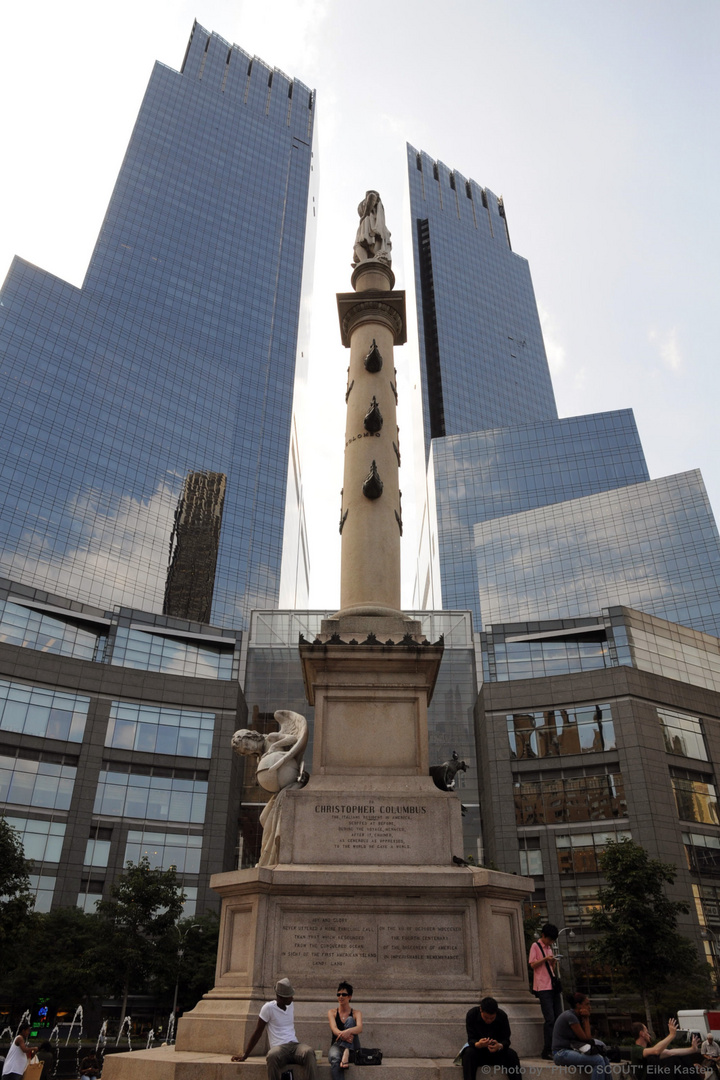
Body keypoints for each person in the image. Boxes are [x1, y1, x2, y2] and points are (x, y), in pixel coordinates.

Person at [231, 977, 318, 1080]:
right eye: (289, 996)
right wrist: (245, 1055)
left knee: (309, 1052)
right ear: (280, 997)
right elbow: (258, 1032)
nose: (292, 998)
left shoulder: (290, 1005)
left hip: (295, 1045)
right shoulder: (268, 1008)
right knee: (271, 1056)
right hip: (279, 1048)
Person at [552, 993, 610, 1080]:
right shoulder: (571, 1016)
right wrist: (586, 1018)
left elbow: (588, 1039)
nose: (589, 1007)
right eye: (587, 1004)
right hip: (561, 1053)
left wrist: (585, 1018)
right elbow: (585, 1039)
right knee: (598, 1060)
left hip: (572, 1050)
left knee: (605, 1058)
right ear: (578, 1005)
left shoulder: (578, 1016)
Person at [461, 996, 521, 1080]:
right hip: (479, 1052)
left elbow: (506, 1040)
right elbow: (471, 1039)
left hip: (497, 1052)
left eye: (492, 1018)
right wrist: (479, 1044)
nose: (489, 1020)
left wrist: (499, 1046)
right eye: (486, 1017)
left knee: (512, 1055)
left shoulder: (502, 1016)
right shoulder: (472, 1014)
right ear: (481, 1009)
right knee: (468, 1054)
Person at [528, 922, 562, 1060]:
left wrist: (552, 962)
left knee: (559, 1017)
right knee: (550, 1019)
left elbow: (549, 969)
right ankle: (547, 1049)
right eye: (550, 939)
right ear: (543, 935)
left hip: (552, 985)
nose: (551, 942)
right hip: (542, 987)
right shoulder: (535, 946)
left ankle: (557, 1046)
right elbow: (532, 964)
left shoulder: (549, 948)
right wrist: (545, 959)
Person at [631, 1019, 701, 1079]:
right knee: (673, 1060)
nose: (649, 1035)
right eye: (647, 1032)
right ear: (642, 1034)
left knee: (677, 1056)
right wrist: (671, 1035)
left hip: (656, 1075)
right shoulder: (636, 1049)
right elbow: (656, 1050)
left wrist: (692, 1049)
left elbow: (670, 1052)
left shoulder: (649, 1050)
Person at [327, 981, 363, 1078]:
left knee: (350, 1020)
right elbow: (334, 1029)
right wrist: (345, 1035)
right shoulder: (332, 1012)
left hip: (353, 1049)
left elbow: (359, 1028)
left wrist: (349, 1031)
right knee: (335, 1059)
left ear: (350, 997)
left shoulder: (356, 1013)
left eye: (344, 994)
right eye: (338, 994)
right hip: (337, 1045)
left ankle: (346, 1051)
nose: (341, 997)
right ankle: (345, 1051)